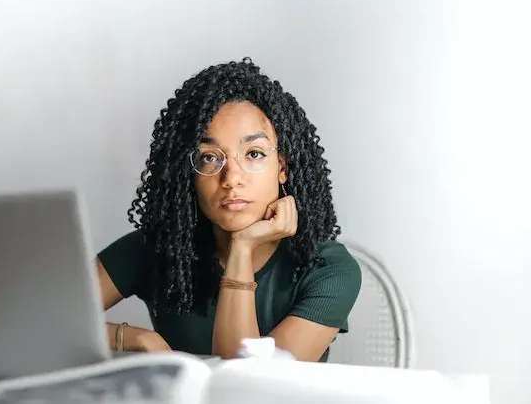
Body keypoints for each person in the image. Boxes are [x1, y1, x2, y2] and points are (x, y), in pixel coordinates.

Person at [97, 58, 361, 362]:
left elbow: (249, 387)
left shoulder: (328, 268)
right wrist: (137, 338)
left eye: (254, 153)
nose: (232, 178)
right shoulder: (159, 248)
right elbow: (40, 320)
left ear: (282, 167)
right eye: (209, 157)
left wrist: (242, 248)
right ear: (190, 174)